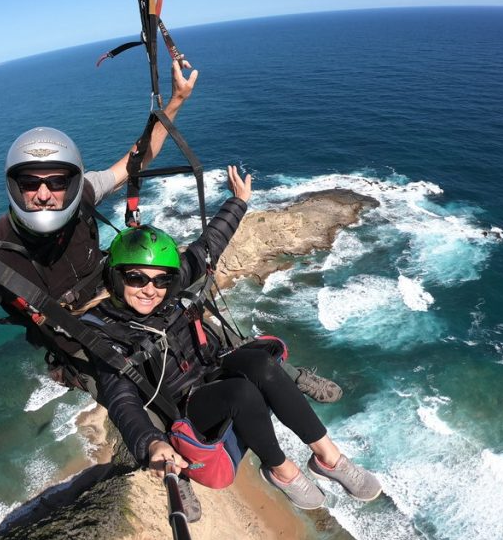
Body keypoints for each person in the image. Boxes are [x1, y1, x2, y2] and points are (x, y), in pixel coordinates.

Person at [0, 58, 342, 402]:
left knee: (192, 317)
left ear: (71, 182)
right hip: (77, 335)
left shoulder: (83, 193)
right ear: (16, 187)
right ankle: (173, 452)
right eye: (32, 184)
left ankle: (285, 372)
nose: (46, 194)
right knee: (134, 387)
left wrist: (175, 102)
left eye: (56, 182)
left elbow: (133, 162)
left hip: (114, 293)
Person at [89, 166, 383, 514]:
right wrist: (149, 443)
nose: (150, 289)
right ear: (115, 276)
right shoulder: (106, 331)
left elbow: (207, 246)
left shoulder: (169, 290)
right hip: (186, 402)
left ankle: (329, 458)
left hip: (212, 366)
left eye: (160, 280)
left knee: (262, 362)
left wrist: (239, 202)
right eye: (135, 278)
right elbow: (121, 399)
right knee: (242, 393)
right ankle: (282, 471)